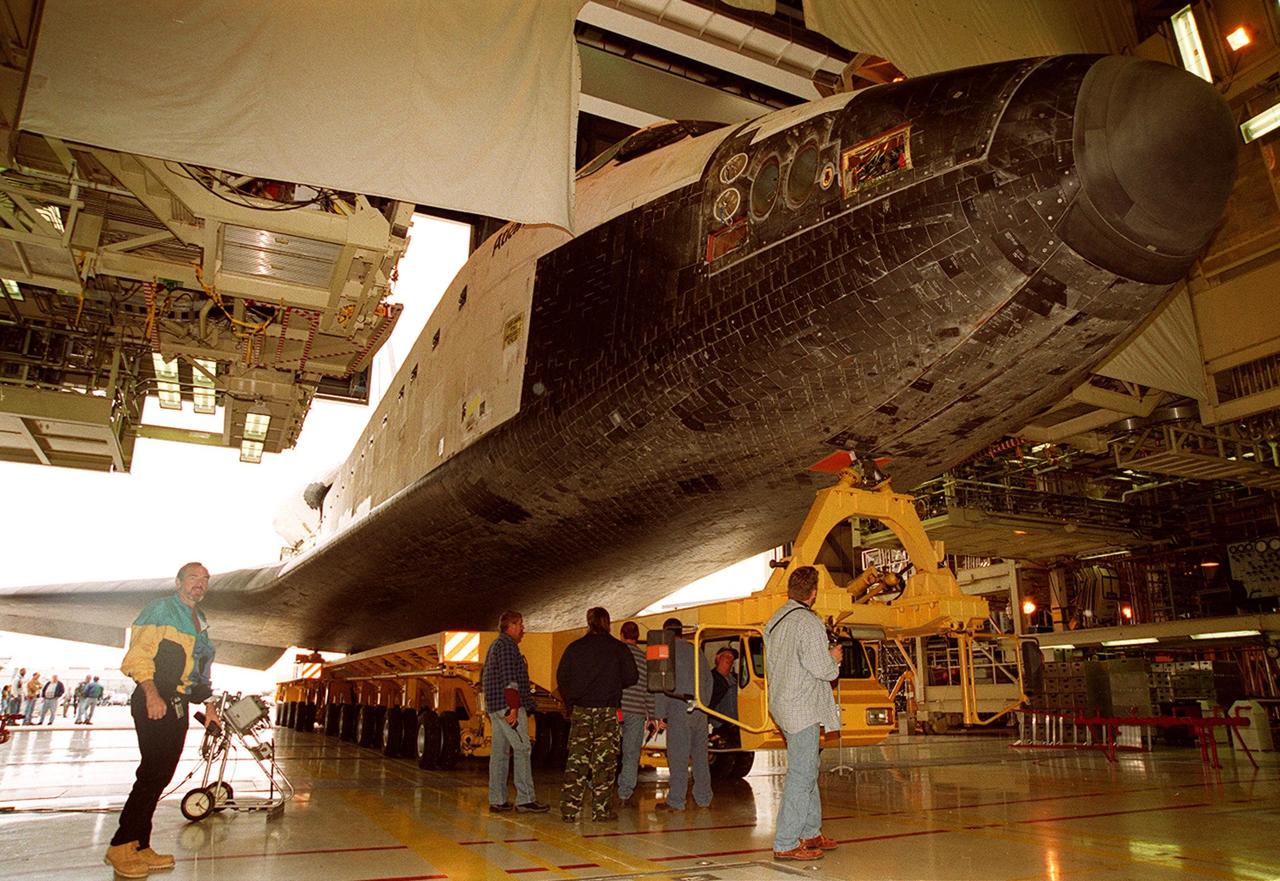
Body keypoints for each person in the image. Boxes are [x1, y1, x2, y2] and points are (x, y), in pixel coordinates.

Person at [105, 562, 220, 879]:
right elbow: (138, 656)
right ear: (179, 582)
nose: (199, 583)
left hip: (179, 703)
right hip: (154, 698)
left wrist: (209, 704)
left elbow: (199, 670)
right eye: (193, 578)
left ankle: (141, 845)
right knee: (152, 773)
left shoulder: (200, 621)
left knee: (161, 776)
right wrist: (151, 693)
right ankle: (121, 846)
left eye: (205, 580)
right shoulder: (160, 610)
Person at [763, 566, 843, 861]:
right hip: (802, 707)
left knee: (807, 766)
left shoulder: (775, 619)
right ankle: (785, 842)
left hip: (784, 703)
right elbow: (821, 668)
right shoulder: (807, 622)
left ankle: (811, 832)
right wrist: (833, 659)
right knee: (802, 773)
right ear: (813, 593)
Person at [555, 607, 638, 822]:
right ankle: (601, 811)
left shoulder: (575, 648)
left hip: (582, 711)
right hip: (607, 712)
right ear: (607, 622)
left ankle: (570, 810)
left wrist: (572, 699)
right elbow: (632, 676)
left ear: (588, 621)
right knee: (605, 762)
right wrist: (613, 684)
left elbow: (562, 677)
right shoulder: (618, 648)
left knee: (577, 760)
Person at [481, 610, 549, 815]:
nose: (523, 629)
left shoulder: (495, 645)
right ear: (510, 625)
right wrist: (513, 707)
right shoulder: (508, 646)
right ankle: (525, 799)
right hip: (507, 706)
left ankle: (498, 799)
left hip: (495, 706)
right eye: (520, 624)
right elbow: (510, 679)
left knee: (500, 753)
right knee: (522, 748)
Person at [654, 617, 713, 812]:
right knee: (700, 757)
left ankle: (676, 800)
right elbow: (708, 680)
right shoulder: (696, 650)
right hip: (699, 711)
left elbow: (660, 686)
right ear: (681, 631)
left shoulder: (663, 651)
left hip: (678, 709)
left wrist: (659, 715)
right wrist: (703, 705)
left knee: (678, 757)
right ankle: (704, 798)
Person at [616, 621, 654, 807]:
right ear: (637, 637)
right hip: (637, 711)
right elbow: (649, 690)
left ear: (622, 634)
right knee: (631, 753)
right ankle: (625, 793)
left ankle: (599, 786)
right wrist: (652, 715)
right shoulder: (644, 658)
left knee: (605, 750)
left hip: (616, 709)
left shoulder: (615, 653)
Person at [709, 646, 740, 746]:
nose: (729, 659)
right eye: (726, 656)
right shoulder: (709, 678)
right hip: (720, 726)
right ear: (718, 658)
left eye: (732, 657)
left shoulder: (738, 679)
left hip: (738, 726)